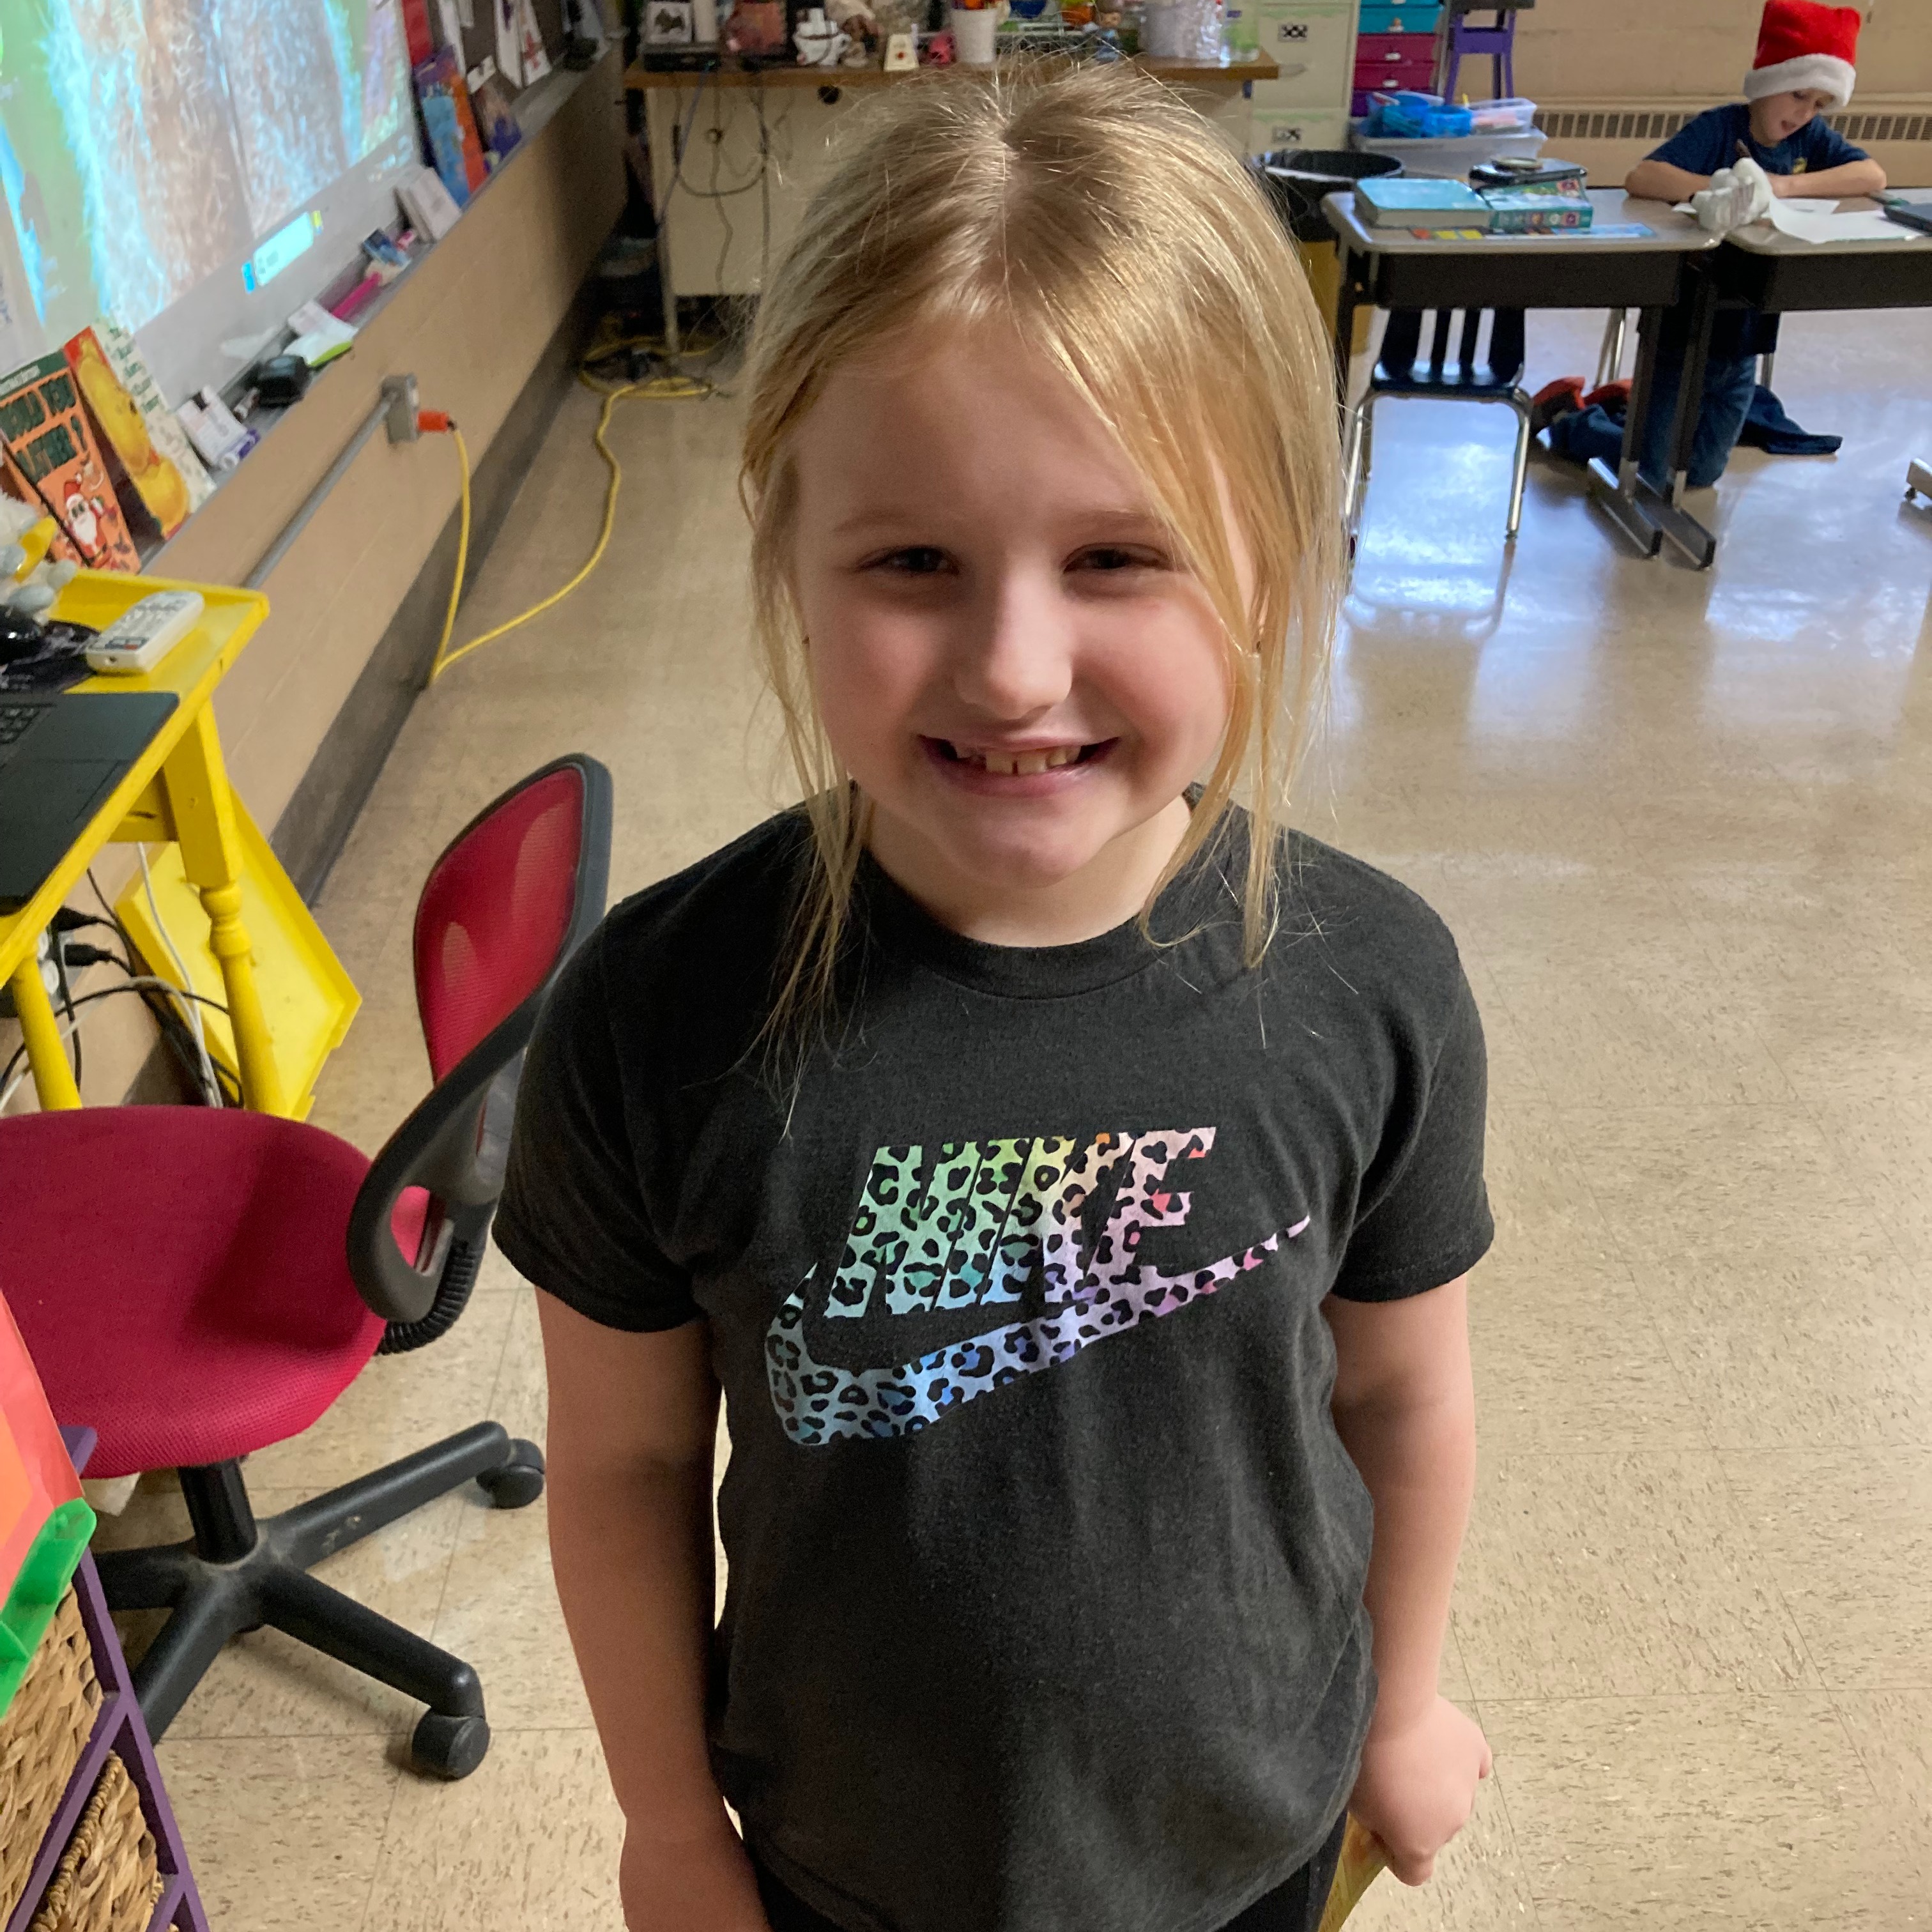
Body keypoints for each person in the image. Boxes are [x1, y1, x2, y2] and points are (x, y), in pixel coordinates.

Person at [495, 64, 1494, 1932]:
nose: (1017, 668)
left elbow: (1405, 1398)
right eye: (911, 564)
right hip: (840, 1871)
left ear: (1268, 562)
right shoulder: (653, 1018)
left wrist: (1410, 1700)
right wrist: (665, 1828)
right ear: (790, 561)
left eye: (1118, 557)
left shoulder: (1375, 983)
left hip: (1250, 1849)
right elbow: (628, 1462)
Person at [1538, 0, 1885, 491]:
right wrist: (1717, 193)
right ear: (1768, 83)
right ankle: (1573, 423)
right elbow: (1644, 177)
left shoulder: (1810, 139)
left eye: (1819, 105)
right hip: (1681, 331)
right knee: (1652, 471)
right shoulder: (1722, 127)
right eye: (1797, 96)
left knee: (1701, 471)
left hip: (1745, 338)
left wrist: (1780, 187)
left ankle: (1623, 412)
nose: (1804, 114)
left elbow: (1872, 175)